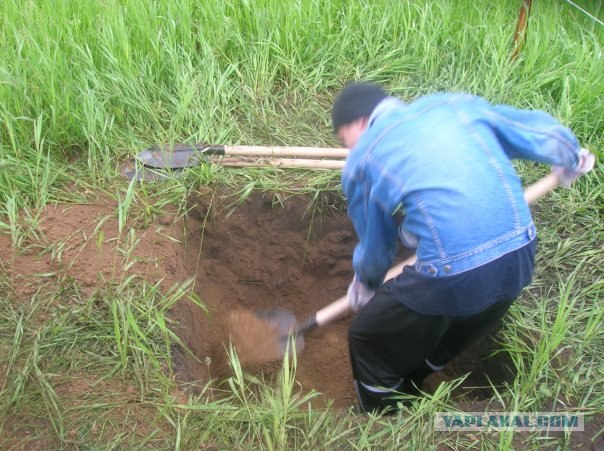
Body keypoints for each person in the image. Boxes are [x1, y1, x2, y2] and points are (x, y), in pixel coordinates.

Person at [331, 82, 595, 413]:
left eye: (343, 139)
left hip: (452, 274)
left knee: (367, 337)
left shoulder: (361, 160)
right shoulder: (452, 106)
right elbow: (530, 128)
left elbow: (376, 244)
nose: (348, 147)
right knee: (446, 331)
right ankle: (414, 381)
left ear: (357, 122)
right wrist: (572, 156)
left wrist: (366, 283)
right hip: (520, 255)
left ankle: (382, 418)